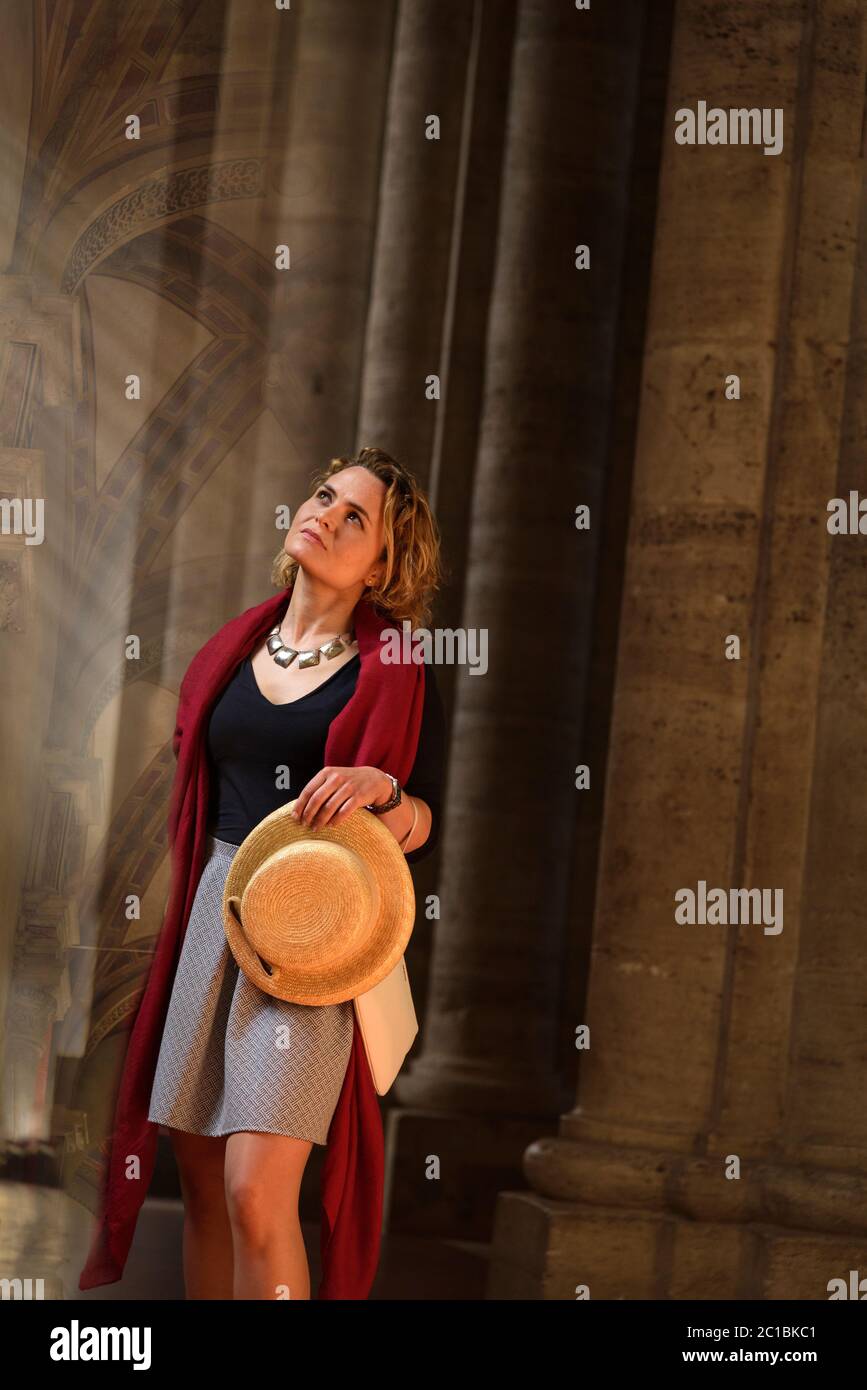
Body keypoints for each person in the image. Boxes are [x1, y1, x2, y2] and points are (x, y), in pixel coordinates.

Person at [145, 445, 446, 1299]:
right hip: (215, 910)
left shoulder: (393, 671)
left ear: (383, 564)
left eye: (356, 518)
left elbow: (422, 822)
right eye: (324, 496)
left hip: (312, 933)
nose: (326, 515)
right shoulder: (230, 650)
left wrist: (382, 788)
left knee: (254, 1194)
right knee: (201, 1184)